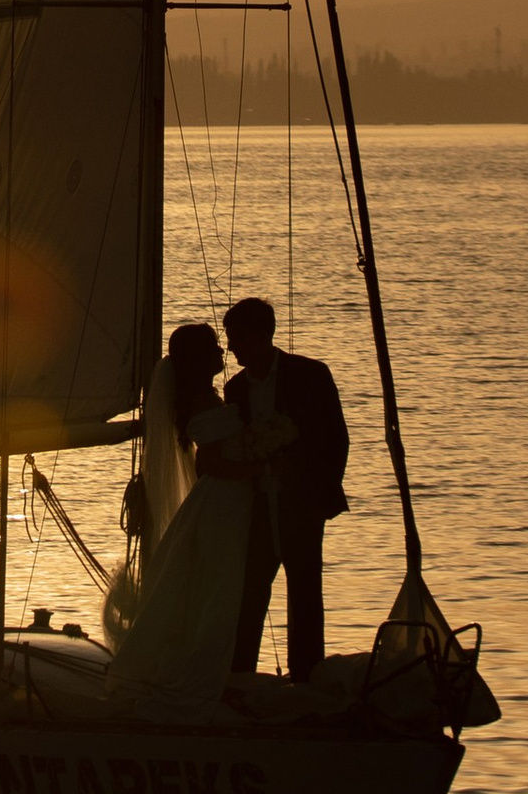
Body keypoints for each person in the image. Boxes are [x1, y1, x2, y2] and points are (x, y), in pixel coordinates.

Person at [104, 323, 287, 724]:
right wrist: (260, 467)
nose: (222, 352)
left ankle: (208, 671)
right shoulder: (201, 402)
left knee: (214, 587)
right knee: (218, 590)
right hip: (223, 501)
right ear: (198, 357)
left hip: (228, 502)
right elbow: (212, 463)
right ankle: (198, 679)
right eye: (214, 348)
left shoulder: (202, 398)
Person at [222, 295, 349, 678]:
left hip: (302, 500)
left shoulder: (310, 374)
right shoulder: (236, 389)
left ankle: (307, 674)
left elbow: (335, 438)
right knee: (251, 590)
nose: (231, 347)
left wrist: (309, 484)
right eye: (230, 338)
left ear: (264, 335)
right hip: (257, 504)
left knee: (306, 590)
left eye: (238, 338)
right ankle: (240, 672)